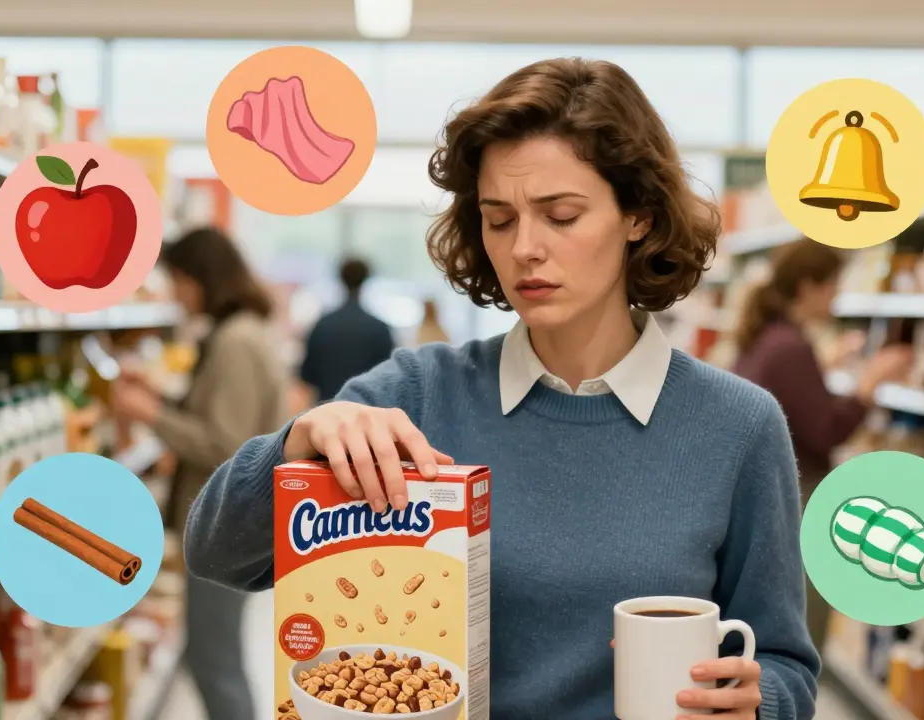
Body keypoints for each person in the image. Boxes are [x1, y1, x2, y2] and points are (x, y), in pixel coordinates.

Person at [185, 59, 817, 719]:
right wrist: (298, 442)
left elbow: (784, 664)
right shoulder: (418, 395)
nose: (524, 249)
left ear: (639, 216)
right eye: (500, 219)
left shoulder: (737, 427)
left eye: (561, 215)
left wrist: (757, 702)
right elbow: (214, 551)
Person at [109, 227, 287, 720]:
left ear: (202, 278)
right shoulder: (243, 332)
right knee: (209, 652)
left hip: (231, 523)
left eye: (180, 281)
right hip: (237, 521)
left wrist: (150, 415)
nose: (176, 294)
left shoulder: (235, 341)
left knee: (216, 662)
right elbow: (220, 421)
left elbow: (226, 445)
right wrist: (162, 398)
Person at [731, 237, 913, 651]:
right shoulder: (790, 346)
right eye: (834, 285)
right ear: (809, 286)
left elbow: (787, 402)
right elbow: (826, 430)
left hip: (771, 493)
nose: (838, 296)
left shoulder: (772, 337)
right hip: (801, 494)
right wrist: (870, 384)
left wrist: (824, 366)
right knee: (803, 626)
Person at [298, 257, 395, 402]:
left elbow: (307, 375)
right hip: (367, 412)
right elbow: (389, 377)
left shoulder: (323, 325)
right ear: (366, 279)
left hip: (326, 411)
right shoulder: (379, 328)